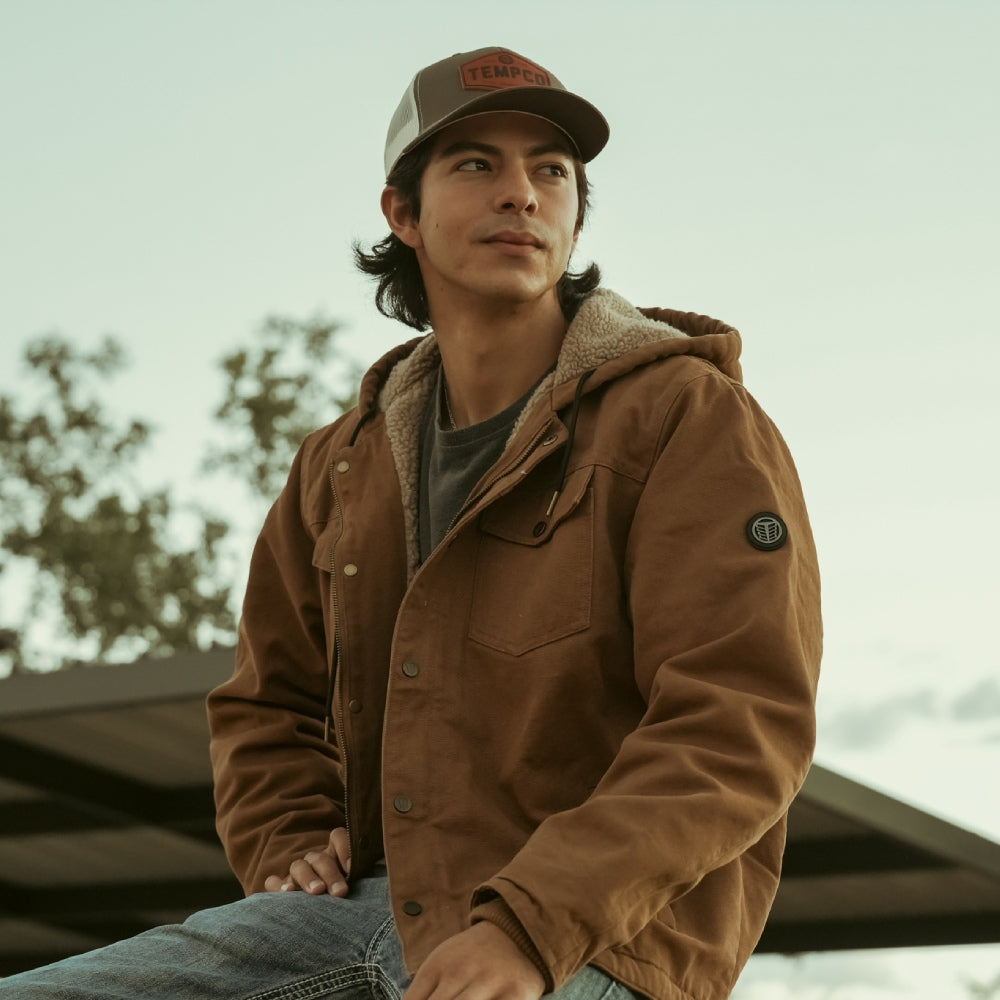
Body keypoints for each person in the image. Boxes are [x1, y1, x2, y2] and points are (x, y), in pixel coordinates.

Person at [2, 46, 821, 1000]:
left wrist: (527, 927)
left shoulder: (684, 416)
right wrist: (288, 842)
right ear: (403, 213)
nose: (521, 194)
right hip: (369, 912)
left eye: (550, 171)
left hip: (600, 936)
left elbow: (738, 720)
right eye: (477, 164)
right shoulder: (337, 466)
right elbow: (267, 705)